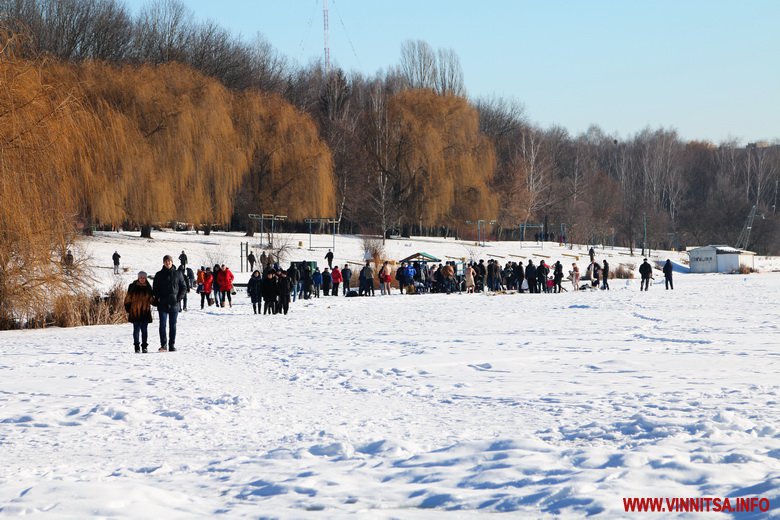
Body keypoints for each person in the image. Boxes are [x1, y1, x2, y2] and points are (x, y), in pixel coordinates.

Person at [152, 255, 186, 352]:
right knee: (162, 325)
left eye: (169, 261)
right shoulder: (158, 274)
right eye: (166, 261)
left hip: (174, 303)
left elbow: (184, 287)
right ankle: (163, 345)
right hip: (162, 303)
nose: (168, 263)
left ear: (172, 262)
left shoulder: (178, 273)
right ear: (163, 262)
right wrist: (158, 297)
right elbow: (155, 288)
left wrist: (178, 298)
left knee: (173, 325)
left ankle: (172, 345)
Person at [124, 271, 153, 353]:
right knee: (136, 330)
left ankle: (144, 346)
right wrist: (128, 310)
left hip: (145, 312)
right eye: (141, 277)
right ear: (138, 278)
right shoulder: (132, 286)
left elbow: (151, 299)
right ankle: (136, 346)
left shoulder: (148, 287)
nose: (142, 279)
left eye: (144, 278)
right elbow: (127, 299)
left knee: (144, 330)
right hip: (135, 312)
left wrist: (158, 301)